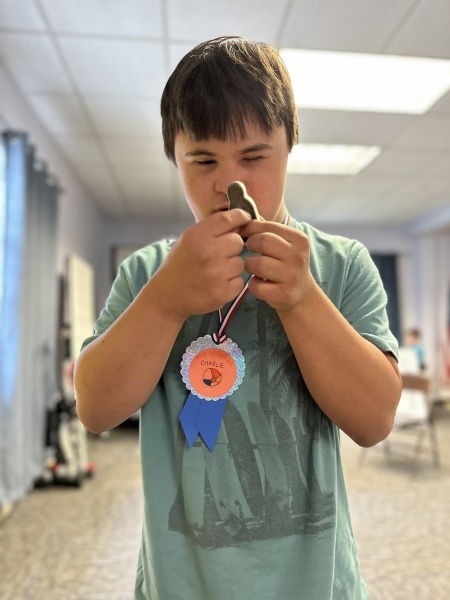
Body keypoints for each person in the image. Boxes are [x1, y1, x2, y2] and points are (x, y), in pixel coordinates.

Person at [74, 36, 402, 600]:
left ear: (290, 143)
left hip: (318, 586)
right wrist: (165, 302)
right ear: (175, 159)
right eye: (203, 160)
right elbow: (96, 409)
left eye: (254, 157)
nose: (231, 186)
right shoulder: (147, 274)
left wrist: (303, 300)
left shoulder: (342, 266)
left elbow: (374, 422)